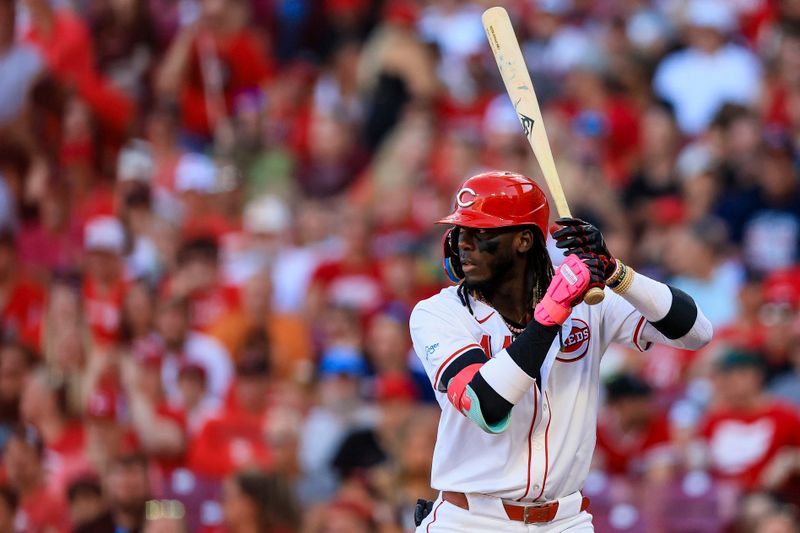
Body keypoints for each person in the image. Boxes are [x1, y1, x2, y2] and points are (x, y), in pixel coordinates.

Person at [409, 171, 713, 531]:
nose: (463, 243)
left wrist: (614, 271)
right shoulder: (438, 313)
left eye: (482, 233)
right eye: (461, 230)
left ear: (523, 240)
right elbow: (486, 404)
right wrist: (551, 313)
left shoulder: (585, 300)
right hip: (471, 520)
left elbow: (695, 332)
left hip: (565, 520)